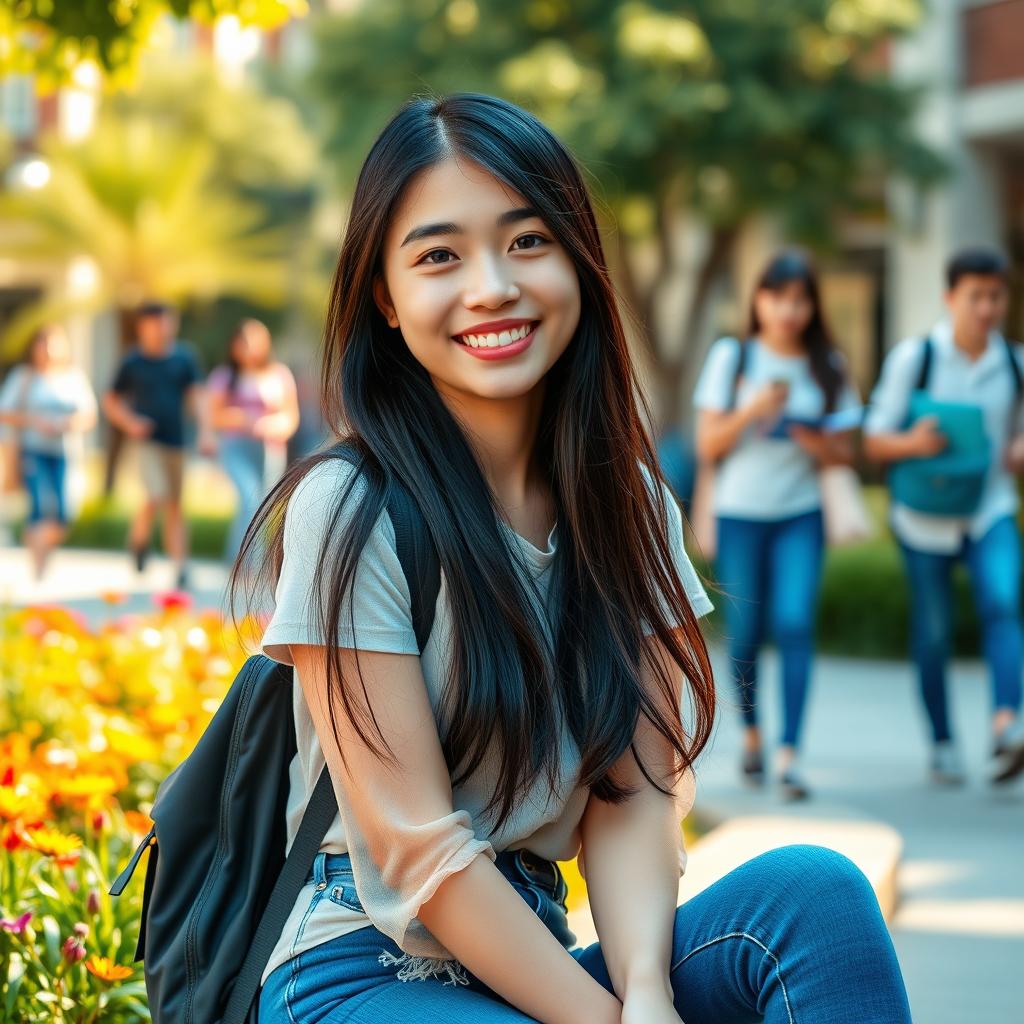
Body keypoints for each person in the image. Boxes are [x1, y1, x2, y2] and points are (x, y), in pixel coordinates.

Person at [236, 96, 911, 1024]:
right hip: (363, 966)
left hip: (538, 955)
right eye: (439, 256)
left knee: (816, 899)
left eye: (526, 241)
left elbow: (635, 793)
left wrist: (641, 992)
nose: (491, 288)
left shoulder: (625, 499)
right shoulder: (349, 509)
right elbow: (419, 856)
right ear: (385, 299)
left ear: (578, 260)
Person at [693, 251, 863, 801]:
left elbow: (847, 451)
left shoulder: (827, 367)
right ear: (758, 301)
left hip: (801, 514)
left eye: (799, 298)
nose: (788, 309)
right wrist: (753, 411)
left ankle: (789, 755)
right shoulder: (733, 357)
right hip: (741, 512)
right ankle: (753, 734)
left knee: (794, 623)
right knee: (745, 632)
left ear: (812, 305)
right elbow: (707, 444)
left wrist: (813, 439)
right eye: (776, 296)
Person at [864, 247, 1024, 786]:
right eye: (975, 296)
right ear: (950, 298)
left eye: (995, 296)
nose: (986, 308)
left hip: (989, 509)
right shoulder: (916, 359)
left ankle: (1006, 727)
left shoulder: (1015, 366)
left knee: (1003, 605)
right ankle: (942, 743)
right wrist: (912, 442)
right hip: (923, 517)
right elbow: (874, 440)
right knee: (932, 632)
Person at [102, 301, 208, 591]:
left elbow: (198, 396)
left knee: (175, 505)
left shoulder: (184, 358)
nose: (162, 329)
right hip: (147, 443)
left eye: (167, 322)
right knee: (154, 496)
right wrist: (130, 422)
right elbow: (111, 401)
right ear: (142, 327)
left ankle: (181, 567)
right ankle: (139, 542)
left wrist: (206, 433)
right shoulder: (132, 361)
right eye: (156, 323)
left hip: (177, 442)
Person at [0, 324, 97, 578]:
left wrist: (65, 424)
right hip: (32, 450)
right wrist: (34, 421)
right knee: (40, 506)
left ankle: (37, 544)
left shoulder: (73, 377)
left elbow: (89, 415)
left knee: (64, 511)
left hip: (64, 451)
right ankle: (38, 566)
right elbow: (5, 412)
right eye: (43, 343)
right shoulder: (23, 377)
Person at [202, 318, 299, 559]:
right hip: (237, 446)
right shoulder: (224, 377)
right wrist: (241, 419)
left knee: (263, 503)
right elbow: (213, 417)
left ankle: (254, 561)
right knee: (248, 496)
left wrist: (274, 425)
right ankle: (243, 562)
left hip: (269, 448)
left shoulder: (279, 374)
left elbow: (291, 416)